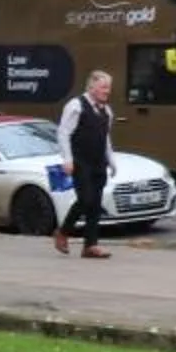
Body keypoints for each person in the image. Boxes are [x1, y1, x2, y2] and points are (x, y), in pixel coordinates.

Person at [56, 69, 116, 259]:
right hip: (80, 161)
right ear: (91, 87)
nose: (107, 91)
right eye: (104, 87)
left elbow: (105, 138)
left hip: (99, 162)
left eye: (109, 88)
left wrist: (112, 161)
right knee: (86, 199)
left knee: (95, 204)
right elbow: (63, 133)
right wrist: (67, 159)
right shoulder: (76, 106)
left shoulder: (106, 111)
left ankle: (90, 245)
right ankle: (63, 232)